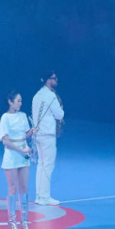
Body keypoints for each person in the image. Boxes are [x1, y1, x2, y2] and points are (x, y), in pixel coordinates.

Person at [0, 91, 36, 229]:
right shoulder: (5, 118)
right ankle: (12, 222)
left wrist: (31, 132)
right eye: (18, 101)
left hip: (24, 155)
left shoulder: (23, 116)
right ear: (10, 101)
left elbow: (23, 136)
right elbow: (6, 141)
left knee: (24, 188)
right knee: (13, 188)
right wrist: (22, 149)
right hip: (12, 155)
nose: (20, 103)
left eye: (21, 101)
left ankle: (24, 222)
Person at [31, 72, 65, 205]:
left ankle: (39, 196)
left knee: (41, 165)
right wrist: (61, 109)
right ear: (48, 80)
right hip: (48, 134)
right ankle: (45, 197)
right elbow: (59, 115)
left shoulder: (37, 95)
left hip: (38, 134)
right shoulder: (51, 96)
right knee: (48, 165)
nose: (56, 80)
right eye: (54, 78)